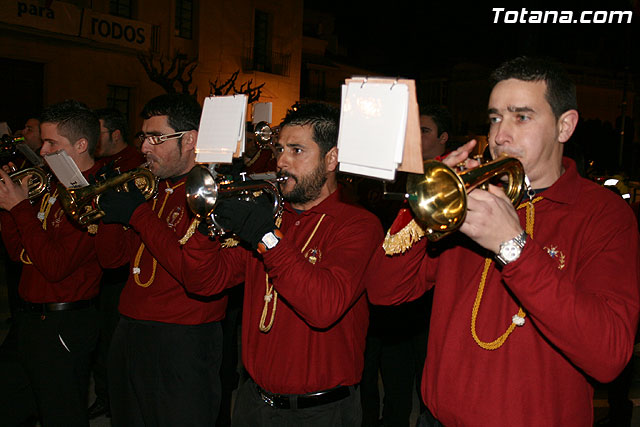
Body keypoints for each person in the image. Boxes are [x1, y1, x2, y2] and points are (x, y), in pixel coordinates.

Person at [365, 56, 640, 425]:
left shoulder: (603, 213)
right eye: (495, 117)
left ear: (565, 126)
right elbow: (384, 291)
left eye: (521, 117)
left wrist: (513, 245)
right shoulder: (471, 199)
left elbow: (608, 355)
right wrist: (426, 207)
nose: (499, 136)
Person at [179, 102, 383, 426]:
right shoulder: (273, 217)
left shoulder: (358, 225)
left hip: (320, 411)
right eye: (280, 149)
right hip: (251, 401)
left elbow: (323, 306)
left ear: (331, 159)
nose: (281, 162)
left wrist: (266, 236)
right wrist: (208, 222)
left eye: (297, 150)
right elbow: (202, 281)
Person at [96, 93, 227, 426]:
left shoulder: (210, 193)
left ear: (190, 140)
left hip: (182, 338)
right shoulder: (153, 187)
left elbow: (188, 269)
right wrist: (109, 211)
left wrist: (137, 214)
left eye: (156, 137)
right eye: (143, 137)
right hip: (128, 328)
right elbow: (112, 261)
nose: (144, 147)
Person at [0, 100, 104, 426]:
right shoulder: (52, 185)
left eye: (51, 143)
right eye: (42, 141)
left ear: (81, 145)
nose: (42, 151)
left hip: (63, 322)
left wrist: (19, 209)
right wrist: (8, 207)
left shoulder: (92, 194)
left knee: (62, 415)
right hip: (30, 319)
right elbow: (19, 253)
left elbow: (56, 266)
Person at [87, 107, 145, 419]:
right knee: (102, 334)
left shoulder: (133, 163)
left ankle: (113, 395)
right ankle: (105, 393)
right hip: (103, 256)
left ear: (116, 134)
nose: (95, 140)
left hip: (125, 266)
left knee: (113, 335)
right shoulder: (100, 164)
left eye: (100, 133)